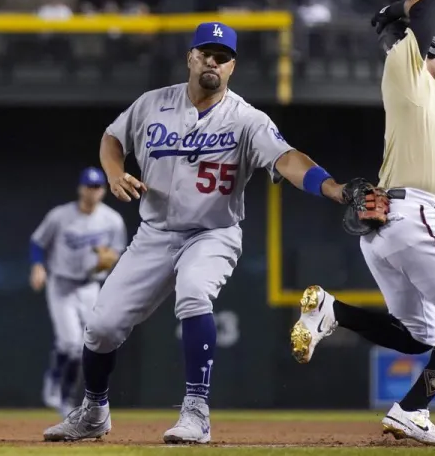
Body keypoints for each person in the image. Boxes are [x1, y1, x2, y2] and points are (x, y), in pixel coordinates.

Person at [42, 22, 381, 444]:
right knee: (102, 327)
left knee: (193, 294)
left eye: (222, 58)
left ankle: (196, 411)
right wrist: (113, 173)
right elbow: (113, 137)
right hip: (155, 233)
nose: (212, 63)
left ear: (231, 67)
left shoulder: (246, 119)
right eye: (205, 54)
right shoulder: (153, 104)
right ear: (190, 58)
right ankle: (94, 411)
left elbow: (289, 159)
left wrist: (333, 187)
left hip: (213, 232)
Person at [290, 0, 435, 445]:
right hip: (414, 214)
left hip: (388, 227)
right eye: (431, 45)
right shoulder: (406, 71)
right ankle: (412, 409)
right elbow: (432, 6)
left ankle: (333, 311)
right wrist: (396, 12)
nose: (433, 49)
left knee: (420, 335)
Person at [30, 167, 127, 418]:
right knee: (72, 343)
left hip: (90, 286)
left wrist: (109, 260)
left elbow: (117, 250)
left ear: (103, 191)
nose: (92, 192)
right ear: (80, 188)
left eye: (97, 187)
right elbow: (38, 242)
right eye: (88, 186)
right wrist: (38, 266)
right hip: (61, 285)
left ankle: (61, 382)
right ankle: (63, 396)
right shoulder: (60, 216)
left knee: (87, 342)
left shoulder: (112, 220)